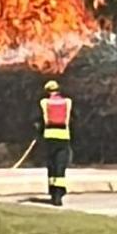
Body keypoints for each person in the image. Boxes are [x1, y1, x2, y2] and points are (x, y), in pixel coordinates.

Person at [37, 77, 73, 205]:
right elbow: (69, 119)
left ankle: (53, 193)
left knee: (51, 165)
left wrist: (38, 133)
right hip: (64, 137)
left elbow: (43, 120)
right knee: (60, 166)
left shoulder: (44, 102)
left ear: (47, 91)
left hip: (50, 137)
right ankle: (60, 192)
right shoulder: (67, 102)